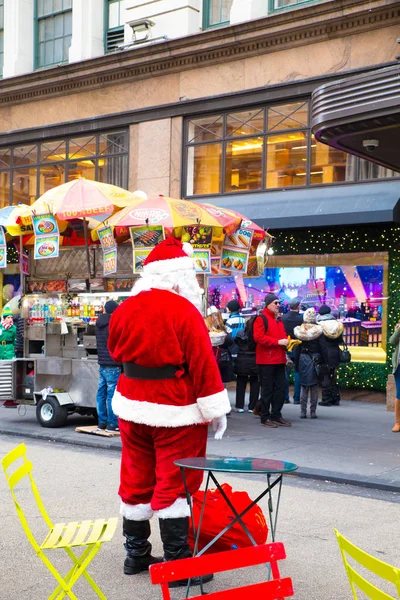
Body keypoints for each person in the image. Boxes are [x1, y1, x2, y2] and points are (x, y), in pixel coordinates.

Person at [108, 238, 230, 586]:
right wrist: (216, 409)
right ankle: (177, 565)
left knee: (136, 477)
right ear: (179, 279)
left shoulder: (125, 308)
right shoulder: (184, 311)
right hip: (176, 410)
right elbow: (203, 365)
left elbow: (115, 352)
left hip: (132, 405)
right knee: (176, 482)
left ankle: (137, 555)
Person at [253, 293, 291, 428]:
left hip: (279, 359)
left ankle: (276, 415)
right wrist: (278, 342)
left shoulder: (278, 320)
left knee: (280, 389)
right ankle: (265, 416)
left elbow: (280, 338)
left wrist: (287, 343)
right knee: (267, 389)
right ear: (268, 304)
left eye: (279, 303)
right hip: (266, 360)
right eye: (275, 303)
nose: (278, 305)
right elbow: (259, 338)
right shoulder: (261, 318)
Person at [293, 308, 326, 419]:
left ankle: (303, 412)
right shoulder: (319, 331)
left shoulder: (300, 330)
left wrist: (296, 364)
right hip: (315, 359)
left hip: (303, 358)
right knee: (314, 387)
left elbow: (297, 348)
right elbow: (323, 347)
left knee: (304, 386)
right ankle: (313, 412)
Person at [94, 300, 121, 433]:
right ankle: (112, 424)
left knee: (101, 394)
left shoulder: (98, 322)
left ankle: (101, 423)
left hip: (102, 363)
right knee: (111, 395)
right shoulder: (114, 324)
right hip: (113, 364)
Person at [317, 305, 344, 406]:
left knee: (325, 376)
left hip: (324, 352)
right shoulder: (337, 324)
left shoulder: (319, 325)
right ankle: (335, 398)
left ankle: (326, 399)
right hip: (335, 351)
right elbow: (340, 340)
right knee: (333, 375)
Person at [234, 317, 259, 413]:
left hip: (241, 360)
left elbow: (236, 343)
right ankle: (252, 406)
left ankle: (239, 405)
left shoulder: (240, 333)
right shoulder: (257, 335)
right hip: (255, 360)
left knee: (241, 383)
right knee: (255, 383)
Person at [282, 298, 303, 404]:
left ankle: (285, 397)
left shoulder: (283, 318)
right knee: (298, 372)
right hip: (298, 347)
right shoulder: (301, 318)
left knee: (285, 372)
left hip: (286, 346)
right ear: (298, 306)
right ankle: (296, 398)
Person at [1, 306, 18, 408]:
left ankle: (8, 398)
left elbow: (15, 340)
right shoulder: (0, 327)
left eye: (11, 317)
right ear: (4, 318)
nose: (10, 319)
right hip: (0, 349)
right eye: (8, 317)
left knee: (8, 374)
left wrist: (14, 350)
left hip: (10, 350)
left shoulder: (14, 328)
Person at [389, 321, 400, 432]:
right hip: (399, 367)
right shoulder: (398, 327)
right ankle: (398, 422)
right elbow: (392, 341)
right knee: (399, 393)